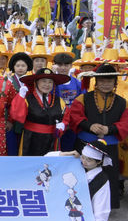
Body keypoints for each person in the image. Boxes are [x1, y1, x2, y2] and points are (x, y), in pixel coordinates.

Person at [63, 63, 128, 209]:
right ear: (96, 82)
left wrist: (110, 129)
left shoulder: (122, 102)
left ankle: (105, 206)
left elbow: (125, 122)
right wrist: (89, 126)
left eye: (109, 81)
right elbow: (75, 116)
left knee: (108, 175)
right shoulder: (83, 98)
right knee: (83, 174)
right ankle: (80, 203)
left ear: (115, 83)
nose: (106, 84)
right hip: (86, 142)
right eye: (102, 81)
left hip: (109, 144)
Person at [10, 67, 69, 156]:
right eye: (44, 81)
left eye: (50, 82)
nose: (47, 84)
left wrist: (63, 125)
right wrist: (20, 97)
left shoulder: (59, 101)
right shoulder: (27, 99)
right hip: (30, 138)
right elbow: (17, 116)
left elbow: (66, 117)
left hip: (52, 140)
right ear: (36, 82)